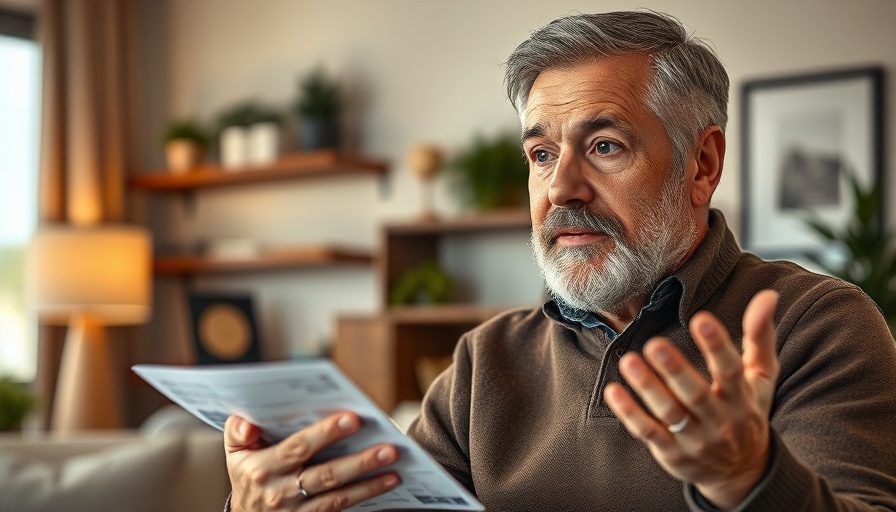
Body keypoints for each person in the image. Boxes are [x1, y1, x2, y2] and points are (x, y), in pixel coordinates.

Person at [222, 10, 896, 511]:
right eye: (542, 155)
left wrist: (748, 478)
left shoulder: (818, 327)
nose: (561, 189)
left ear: (702, 164)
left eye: (604, 146)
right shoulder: (485, 363)